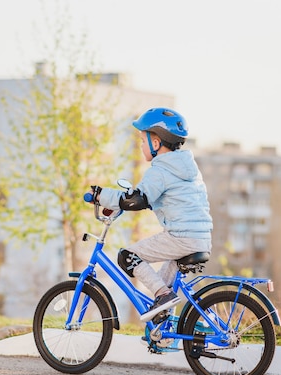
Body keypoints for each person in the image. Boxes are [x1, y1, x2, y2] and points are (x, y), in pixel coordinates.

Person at [90, 107, 213, 323]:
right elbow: (167, 200)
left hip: (181, 237)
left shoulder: (161, 170)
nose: (140, 145)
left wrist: (101, 196)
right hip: (201, 238)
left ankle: (163, 297)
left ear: (156, 143)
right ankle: (163, 334)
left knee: (127, 256)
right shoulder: (186, 168)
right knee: (163, 290)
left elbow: (136, 199)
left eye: (142, 140)